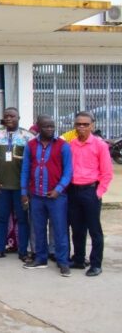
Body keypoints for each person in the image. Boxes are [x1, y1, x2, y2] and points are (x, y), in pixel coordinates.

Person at [20, 115, 72, 276]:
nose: (50, 129)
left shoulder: (63, 146)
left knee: (60, 229)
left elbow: (68, 171)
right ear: (38, 127)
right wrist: (23, 192)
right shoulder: (31, 145)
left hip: (57, 196)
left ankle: (63, 262)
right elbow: (26, 169)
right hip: (36, 195)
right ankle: (40, 258)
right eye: (46, 126)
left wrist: (59, 189)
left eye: (52, 126)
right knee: (38, 228)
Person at [68, 111, 114, 277]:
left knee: (94, 230)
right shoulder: (71, 144)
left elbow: (107, 173)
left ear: (92, 126)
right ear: (74, 126)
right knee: (77, 228)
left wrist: (99, 192)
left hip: (90, 191)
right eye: (78, 124)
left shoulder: (100, 145)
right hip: (73, 191)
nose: (82, 127)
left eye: (85, 124)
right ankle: (79, 259)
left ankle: (96, 264)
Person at [0, 107, 34, 262]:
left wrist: (27, 187)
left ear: (18, 117)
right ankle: (0, 249)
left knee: (22, 219)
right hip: (1, 186)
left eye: (12, 116)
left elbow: (32, 163)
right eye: (6, 116)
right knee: (1, 218)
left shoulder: (27, 137)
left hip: (20, 188)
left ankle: (23, 251)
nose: (9, 118)